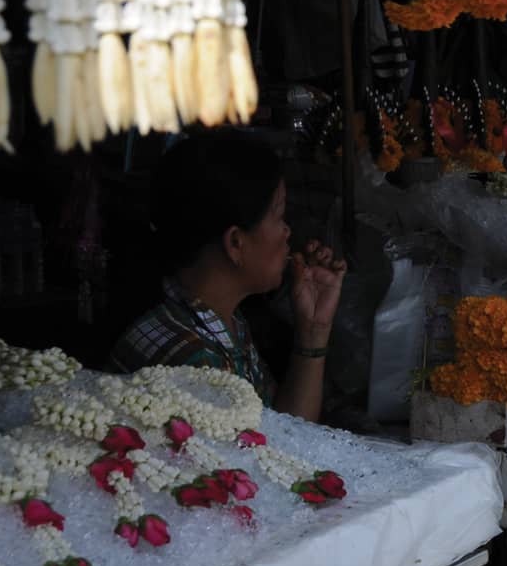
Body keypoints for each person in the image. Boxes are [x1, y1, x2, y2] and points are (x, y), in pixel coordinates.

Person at [109, 132, 346, 424]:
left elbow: (290, 433)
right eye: (278, 216)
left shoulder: (222, 323)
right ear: (235, 243)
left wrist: (313, 330)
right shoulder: (190, 361)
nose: (287, 232)